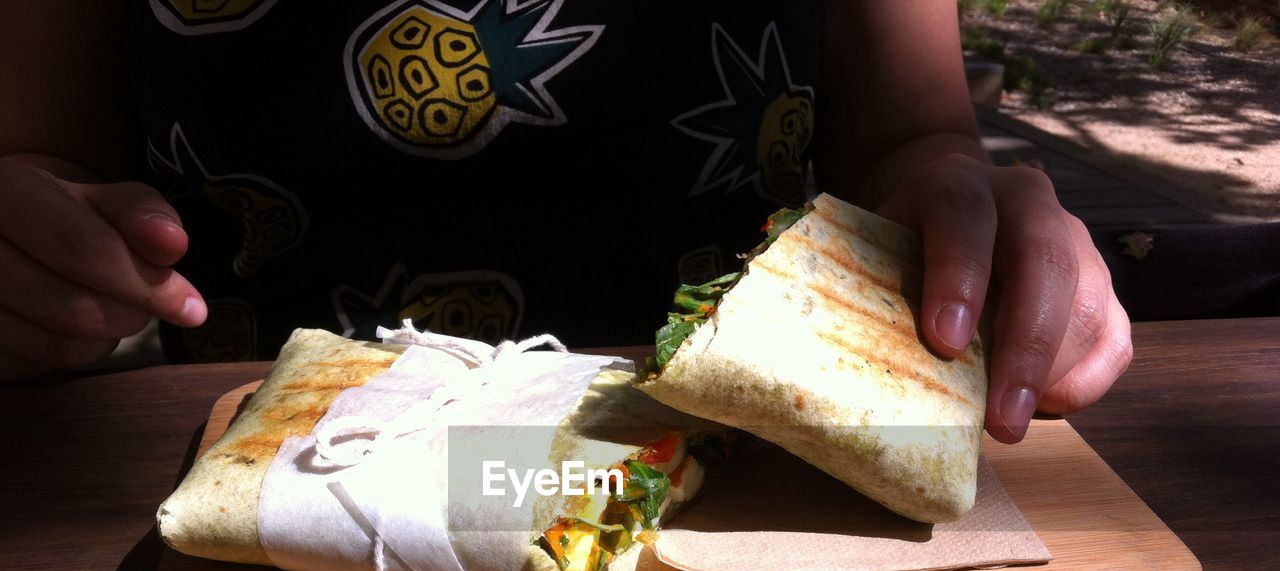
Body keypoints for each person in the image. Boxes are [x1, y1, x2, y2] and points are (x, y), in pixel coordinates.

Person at [0, 0, 1130, 445]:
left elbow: (904, 139)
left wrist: (965, 208)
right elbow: (41, 155)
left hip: (749, 466)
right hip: (282, 485)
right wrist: (34, 248)